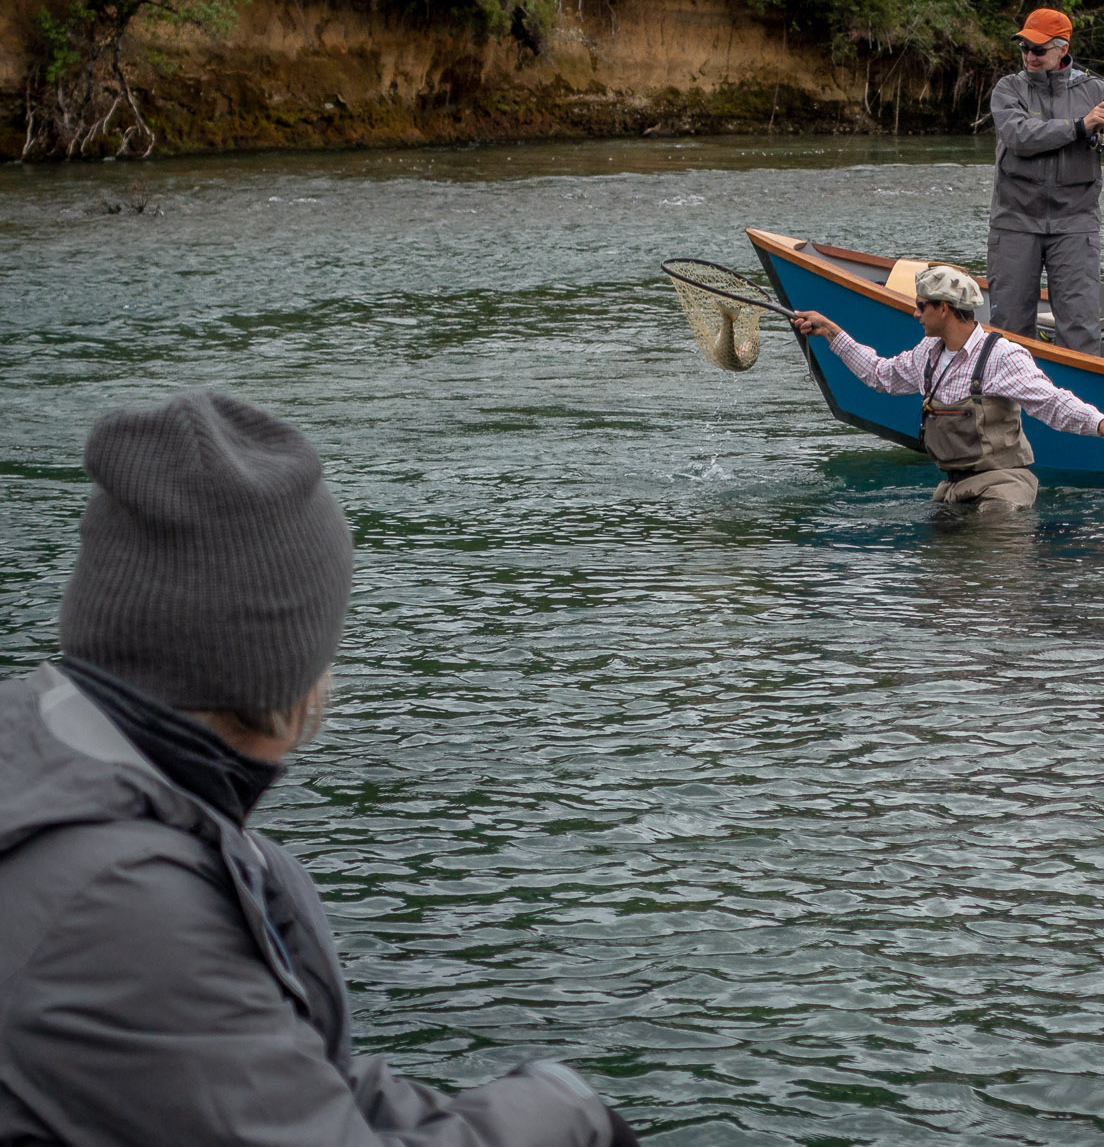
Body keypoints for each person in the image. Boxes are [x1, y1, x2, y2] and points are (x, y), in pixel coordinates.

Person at [0, 391, 640, 1147]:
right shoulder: (126, 900)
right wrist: (567, 1111)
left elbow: (280, 1075)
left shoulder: (52, 772)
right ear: (283, 663)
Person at [792, 265, 1104, 511]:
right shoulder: (928, 353)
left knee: (989, 541)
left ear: (944, 308)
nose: (915, 313)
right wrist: (830, 332)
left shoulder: (1001, 356)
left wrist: (1100, 423)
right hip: (953, 488)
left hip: (1003, 487)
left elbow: (1051, 402)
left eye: (921, 306)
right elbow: (881, 375)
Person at [987, 7, 1104, 358]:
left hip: (1076, 225)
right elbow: (1018, 136)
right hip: (1014, 223)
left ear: (1062, 48)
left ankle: (1078, 409)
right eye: (1025, 48)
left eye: (1038, 49)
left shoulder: (1096, 89)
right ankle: (1007, 408)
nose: (1030, 56)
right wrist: (1078, 127)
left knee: (1080, 328)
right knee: (1009, 329)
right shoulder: (1008, 89)